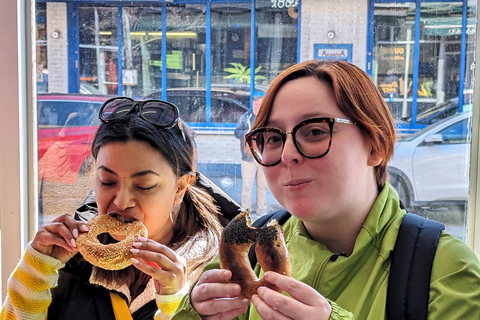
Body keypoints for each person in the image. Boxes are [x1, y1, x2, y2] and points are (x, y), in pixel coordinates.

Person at [172, 60, 480, 319]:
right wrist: (191, 312)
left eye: (315, 131)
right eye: (273, 138)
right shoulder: (247, 254)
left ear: (376, 146)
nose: (287, 154)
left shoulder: (447, 272)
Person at [1, 97, 224, 320]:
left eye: (143, 186)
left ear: (180, 187)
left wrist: (177, 306)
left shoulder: (214, 277)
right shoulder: (68, 260)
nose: (121, 202)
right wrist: (35, 272)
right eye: (107, 181)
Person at [234, 92, 268, 217]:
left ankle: (261, 212)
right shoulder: (245, 117)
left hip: (264, 157)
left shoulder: (267, 117)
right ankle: (245, 213)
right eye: (256, 103)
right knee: (247, 186)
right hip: (248, 158)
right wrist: (246, 132)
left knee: (262, 186)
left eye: (260, 103)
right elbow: (236, 133)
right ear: (253, 104)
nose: (258, 106)